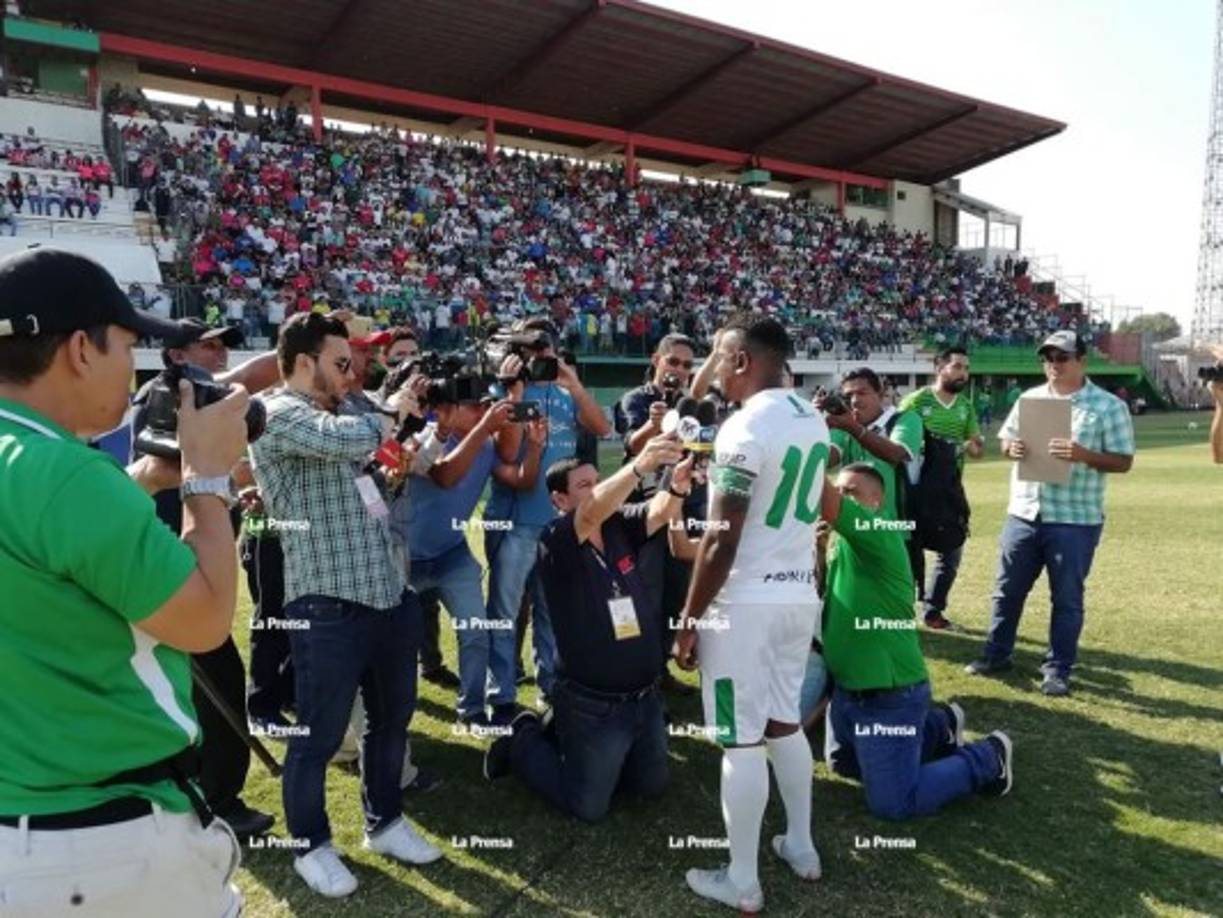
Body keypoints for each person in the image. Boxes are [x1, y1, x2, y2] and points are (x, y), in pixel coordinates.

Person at [0, 247, 250, 915]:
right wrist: (208, 481)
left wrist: (143, 481)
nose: (134, 368)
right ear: (82, 348)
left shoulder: (37, 465)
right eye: (130, 347)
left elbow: (45, 546)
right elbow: (202, 621)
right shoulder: (69, 475)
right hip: (108, 840)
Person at [250, 312, 442, 898]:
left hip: (386, 593)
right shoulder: (277, 413)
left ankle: (384, 822)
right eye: (340, 363)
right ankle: (312, 846)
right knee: (319, 735)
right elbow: (348, 440)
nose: (350, 372)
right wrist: (392, 412)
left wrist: (393, 447)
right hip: (326, 603)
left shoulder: (345, 413)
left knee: (391, 724)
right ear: (304, 362)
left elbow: (368, 481)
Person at [673, 318, 826, 914]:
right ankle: (802, 846)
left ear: (740, 361)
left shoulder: (744, 426)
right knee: (784, 722)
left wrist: (689, 618)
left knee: (740, 741)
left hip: (747, 603)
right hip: (796, 596)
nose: (715, 371)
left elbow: (720, 539)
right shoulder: (809, 415)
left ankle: (742, 879)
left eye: (719, 357)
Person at [484, 439, 693, 821]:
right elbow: (590, 513)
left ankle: (592, 749)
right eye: (585, 485)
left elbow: (660, 512)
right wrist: (638, 466)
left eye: (598, 481)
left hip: (643, 699)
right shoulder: (556, 538)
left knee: (651, 787)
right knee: (588, 807)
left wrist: (676, 485)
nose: (596, 490)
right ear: (559, 500)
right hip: (593, 705)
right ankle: (523, 738)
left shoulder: (618, 523)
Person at [130, 317, 280, 838]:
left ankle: (209, 795)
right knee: (215, 687)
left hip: (178, 572)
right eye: (207, 346)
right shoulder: (164, 403)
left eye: (223, 347)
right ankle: (218, 802)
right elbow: (176, 485)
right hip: (173, 579)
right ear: (175, 357)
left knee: (203, 687)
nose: (218, 356)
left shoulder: (196, 405)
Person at [819, 463, 1013, 820]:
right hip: (848, 694)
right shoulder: (842, 539)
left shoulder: (876, 531)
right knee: (842, 765)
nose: (843, 497)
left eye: (852, 492)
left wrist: (798, 443)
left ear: (877, 502)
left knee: (894, 803)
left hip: (887, 698)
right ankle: (938, 727)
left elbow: (823, 499)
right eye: (840, 489)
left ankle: (987, 757)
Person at [965, 331, 1135, 696]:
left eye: (1062, 358)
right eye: (1048, 358)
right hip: (1024, 512)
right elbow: (1006, 440)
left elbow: (1123, 461)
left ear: (1082, 361)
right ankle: (996, 655)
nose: (1054, 365)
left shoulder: (1108, 406)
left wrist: (1083, 454)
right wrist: (1012, 448)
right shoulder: (1030, 398)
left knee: (1067, 599)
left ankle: (1057, 669)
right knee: (1006, 591)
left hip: (1075, 518)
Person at [395, 374, 547, 728]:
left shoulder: (488, 446)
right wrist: (485, 429)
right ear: (446, 411)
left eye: (486, 404)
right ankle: (393, 717)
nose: (484, 410)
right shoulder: (422, 440)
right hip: (404, 559)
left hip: (451, 553)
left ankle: (473, 712)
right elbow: (445, 475)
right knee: (398, 643)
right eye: (475, 406)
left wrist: (535, 446)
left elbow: (521, 480)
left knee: (475, 631)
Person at [483, 318, 611, 703]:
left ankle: (550, 692)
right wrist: (516, 395)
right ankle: (500, 696)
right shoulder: (501, 391)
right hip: (517, 522)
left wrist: (572, 383)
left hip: (559, 524)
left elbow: (602, 428)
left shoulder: (565, 392)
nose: (540, 360)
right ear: (516, 356)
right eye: (532, 354)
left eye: (546, 353)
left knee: (551, 613)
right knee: (504, 614)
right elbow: (506, 453)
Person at [898, 347, 984, 630]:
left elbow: (977, 449)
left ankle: (933, 611)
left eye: (966, 368)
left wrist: (972, 445)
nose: (963, 373)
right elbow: (897, 440)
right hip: (916, 490)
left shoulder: (965, 406)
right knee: (908, 551)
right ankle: (900, 612)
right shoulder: (915, 401)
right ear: (940, 368)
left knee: (952, 551)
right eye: (957, 366)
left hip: (949, 491)